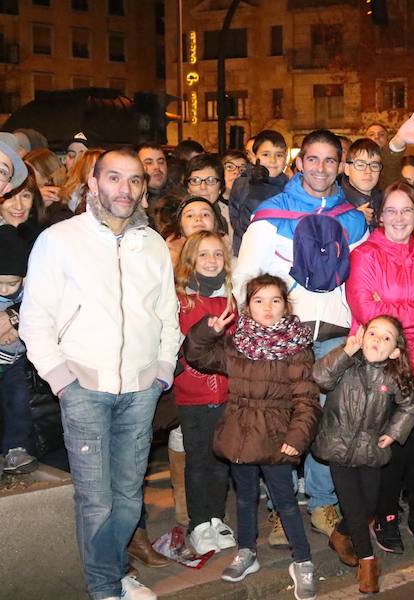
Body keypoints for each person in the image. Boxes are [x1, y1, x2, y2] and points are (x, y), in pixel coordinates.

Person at [20, 148, 180, 600]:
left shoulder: (151, 244)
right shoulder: (60, 240)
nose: (124, 189)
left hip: (140, 389)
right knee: (97, 499)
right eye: (113, 178)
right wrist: (61, 379)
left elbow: (168, 315)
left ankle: (113, 569)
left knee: (129, 497)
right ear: (93, 183)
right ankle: (105, 587)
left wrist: (161, 372)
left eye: (133, 180)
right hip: (83, 389)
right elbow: (35, 317)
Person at [234, 128, 367, 539]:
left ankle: (323, 504)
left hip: (335, 335)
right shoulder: (271, 215)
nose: (322, 168)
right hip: (283, 338)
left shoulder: (353, 218)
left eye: (330, 160)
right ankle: (281, 506)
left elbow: (360, 281)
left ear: (341, 166)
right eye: (313, 159)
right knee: (282, 422)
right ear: (299, 163)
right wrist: (255, 336)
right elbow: (245, 279)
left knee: (326, 422)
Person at [183, 274, 319, 598]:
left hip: (275, 437)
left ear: (286, 305)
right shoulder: (237, 343)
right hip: (240, 434)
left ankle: (303, 561)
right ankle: (247, 552)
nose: (267, 308)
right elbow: (196, 355)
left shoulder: (296, 348)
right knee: (244, 497)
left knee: (285, 501)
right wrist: (209, 330)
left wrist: (297, 438)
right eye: (258, 301)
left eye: (275, 300)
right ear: (247, 306)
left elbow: (307, 400)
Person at [346, 181, 414, 556]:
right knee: (391, 446)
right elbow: (367, 313)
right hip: (381, 365)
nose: (400, 218)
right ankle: (386, 515)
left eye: (408, 210)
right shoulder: (365, 256)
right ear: (380, 214)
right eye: (392, 210)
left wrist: (393, 309)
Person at [313, 316, 414, 594]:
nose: (377, 340)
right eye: (373, 333)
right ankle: (368, 562)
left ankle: (340, 534)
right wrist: (347, 350)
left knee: (369, 507)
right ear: (362, 336)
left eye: (387, 338)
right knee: (353, 506)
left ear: (395, 351)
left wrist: (395, 432)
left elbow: (411, 404)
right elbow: (320, 378)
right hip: (338, 446)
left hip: (371, 450)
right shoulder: (346, 362)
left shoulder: (393, 376)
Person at [172, 231, 237, 555]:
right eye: (203, 255)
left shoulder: (231, 299)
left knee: (220, 459)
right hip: (192, 395)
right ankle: (198, 522)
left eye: (217, 254)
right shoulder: (182, 299)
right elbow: (179, 344)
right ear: (190, 260)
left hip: (226, 395)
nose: (211, 261)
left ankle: (216, 518)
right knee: (198, 460)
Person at [0, 225, 36, 475]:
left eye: (11, 284)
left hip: (16, 362)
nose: (4, 290)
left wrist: (15, 322)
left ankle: (16, 449)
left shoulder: (30, 292)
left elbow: (37, 313)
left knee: (19, 405)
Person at [229, 130, 289, 255]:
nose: (273, 160)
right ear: (254, 157)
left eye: (279, 155)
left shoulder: (289, 186)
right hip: (249, 253)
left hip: (282, 254)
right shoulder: (244, 184)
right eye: (266, 154)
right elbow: (238, 221)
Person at [341, 137, 384, 228]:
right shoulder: (335, 203)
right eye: (360, 165)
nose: (368, 171)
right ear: (347, 169)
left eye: (374, 166)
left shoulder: (386, 202)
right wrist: (353, 219)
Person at [138, 143, 176, 211]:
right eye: (149, 163)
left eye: (161, 162)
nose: (157, 167)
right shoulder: (132, 203)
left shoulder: (181, 197)